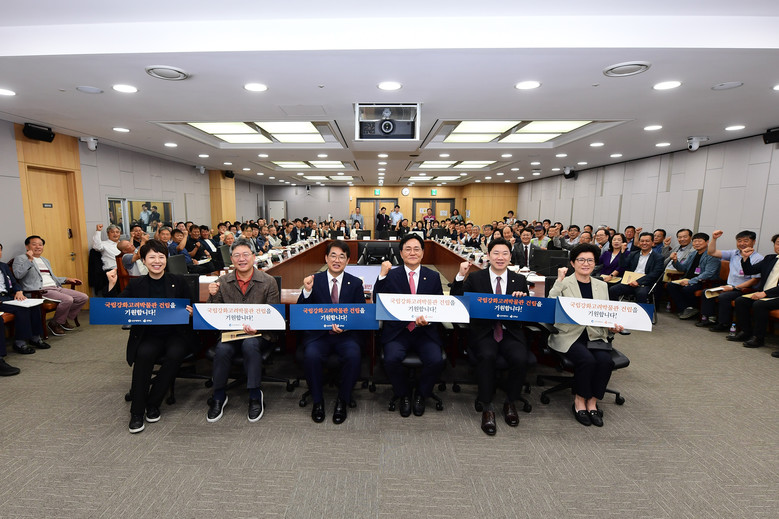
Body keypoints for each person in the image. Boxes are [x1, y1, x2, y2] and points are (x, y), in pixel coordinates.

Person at [105, 240, 194, 434]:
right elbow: (114, 310)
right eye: (152, 257)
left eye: (161, 257)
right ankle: (137, 412)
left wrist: (191, 312)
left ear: (166, 260)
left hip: (175, 334)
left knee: (175, 355)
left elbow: (192, 306)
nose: (157, 261)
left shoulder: (178, 281)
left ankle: (153, 403)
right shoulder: (137, 284)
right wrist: (112, 284)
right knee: (143, 356)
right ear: (144, 261)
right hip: (149, 334)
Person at [450, 238, 531, 436]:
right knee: (487, 356)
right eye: (496, 253)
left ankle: (510, 402)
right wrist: (460, 276)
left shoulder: (519, 280)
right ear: (488, 256)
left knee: (520, 358)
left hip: (509, 332)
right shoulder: (476, 278)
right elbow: (457, 300)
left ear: (510, 257)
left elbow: (526, 312)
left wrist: (523, 300)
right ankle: (487, 406)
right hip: (484, 331)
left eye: (505, 253)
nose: (500, 257)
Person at [548, 243, 624, 427]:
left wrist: (612, 327)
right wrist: (559, 280)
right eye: (581, 260)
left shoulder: (601, 285)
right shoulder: (564, 283)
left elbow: (605, 313)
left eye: (590, 260)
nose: (586, 263)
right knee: (587, 361)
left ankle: (593, 402)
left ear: (595, 263)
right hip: (569, 335)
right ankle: (580, 401)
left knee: (606, 362)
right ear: (573, 263)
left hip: (595, 334)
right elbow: (550, 306)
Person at [206, 238, 280, 423]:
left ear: (254, 256)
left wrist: (257, 328)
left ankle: (255, 395)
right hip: (231, 333)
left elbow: (274, 315)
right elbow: (212, 314)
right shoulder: (222, 282)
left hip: (260, 333)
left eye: (246, 254)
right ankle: (218, 396)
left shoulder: (268, 281)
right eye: (237, 255)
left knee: (250, 343)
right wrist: (212, 295)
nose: (241, 259)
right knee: (222, 348)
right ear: (231, 259)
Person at [373, 233, 445, 417]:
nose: (412, 253)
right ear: (401, 253)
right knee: (391, 359)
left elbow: (439, 306)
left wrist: (429, 318)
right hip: (399, 331)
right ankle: (403, 394)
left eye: (416, 249)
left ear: (423, 253)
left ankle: (421, 394)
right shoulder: (391, 275)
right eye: (408, 249)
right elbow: (377, 301)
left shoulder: (433, 276)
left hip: (424, 331)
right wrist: (381, 276)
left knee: (436, 360)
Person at [297, 241, 365, 424]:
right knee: (311, 355)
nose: (337, 260)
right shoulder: (314, 280)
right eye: (333, 255)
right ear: (326, 258)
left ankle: (342, 400)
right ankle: (317, 401)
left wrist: (347, 325)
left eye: (342, 256)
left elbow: (360, 313)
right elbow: (301, 312)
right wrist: (307, 291)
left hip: (346, 336)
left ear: (348, 260)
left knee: (353, 355)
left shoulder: (355, 283)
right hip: (320, 335)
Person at [13, 235, 88, 336]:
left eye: (40, 245)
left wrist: (66, 279)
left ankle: (61, 319)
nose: (38, 247)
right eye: (34, 244)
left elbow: (51, 277)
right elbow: (18, 275)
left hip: (55, 287)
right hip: (40, 290)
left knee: (83, 297)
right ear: (27, 247)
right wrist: (29, 260)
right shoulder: (20, 259)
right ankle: (55, 323)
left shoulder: (45, 260)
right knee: (67, 299)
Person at [699, 230, 762, 330]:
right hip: (729, 286)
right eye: (739, 241)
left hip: (744, 289)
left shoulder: (758, 258)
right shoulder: (734, 253)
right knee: (706, 292)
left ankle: (724, 323)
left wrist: (734, 288)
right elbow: (711, 252)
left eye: (746, 241)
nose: (742, 243)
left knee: (724, 297)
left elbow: (755, 280)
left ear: (753, 242)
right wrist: (714, 239)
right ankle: (709, 318)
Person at [729, 234, 779, 349]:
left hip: (775, 295)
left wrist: (765, 293)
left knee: (759, 304)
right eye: (778, 243)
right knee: (741, 301)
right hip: (765, 293)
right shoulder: (769, 258)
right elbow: (749, 271)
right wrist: (745, 258)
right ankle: (745, 332)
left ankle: (758, 337)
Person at [0, 243, 51, 354]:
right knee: (22, 310)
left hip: (7, 297)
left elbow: (14, 282)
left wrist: (18, 291)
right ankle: (20, 343)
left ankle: (35, 337)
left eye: (0, 250)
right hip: (1, 301)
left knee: (34, 306)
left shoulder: (3, 266)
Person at [666, 233, 720, 320]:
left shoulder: (712, 255)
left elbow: (709, 273)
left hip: (704, 282)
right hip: (689, 280)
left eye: (699, 241)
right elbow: (683, 268)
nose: (697, 243)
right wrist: (675, 261)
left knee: (687, 289)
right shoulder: (693, 253)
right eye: (694, 241)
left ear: (707, 242)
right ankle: (687, 308)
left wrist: (690, 281)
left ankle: (692, 308)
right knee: (671, 285)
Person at [608, 232, 664, 304]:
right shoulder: (633, 254)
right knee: (613, 290)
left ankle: (641, 311)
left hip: (645, 284)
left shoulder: (658, 257)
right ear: (639, 243)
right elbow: (623, 265)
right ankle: (617, 308)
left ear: (652, 243)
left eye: (647, 241)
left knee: (641, 293)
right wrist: (622, 252)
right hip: (630, 282)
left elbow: (655, 273)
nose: (644, 243)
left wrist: (638, 282)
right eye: (642, 241)